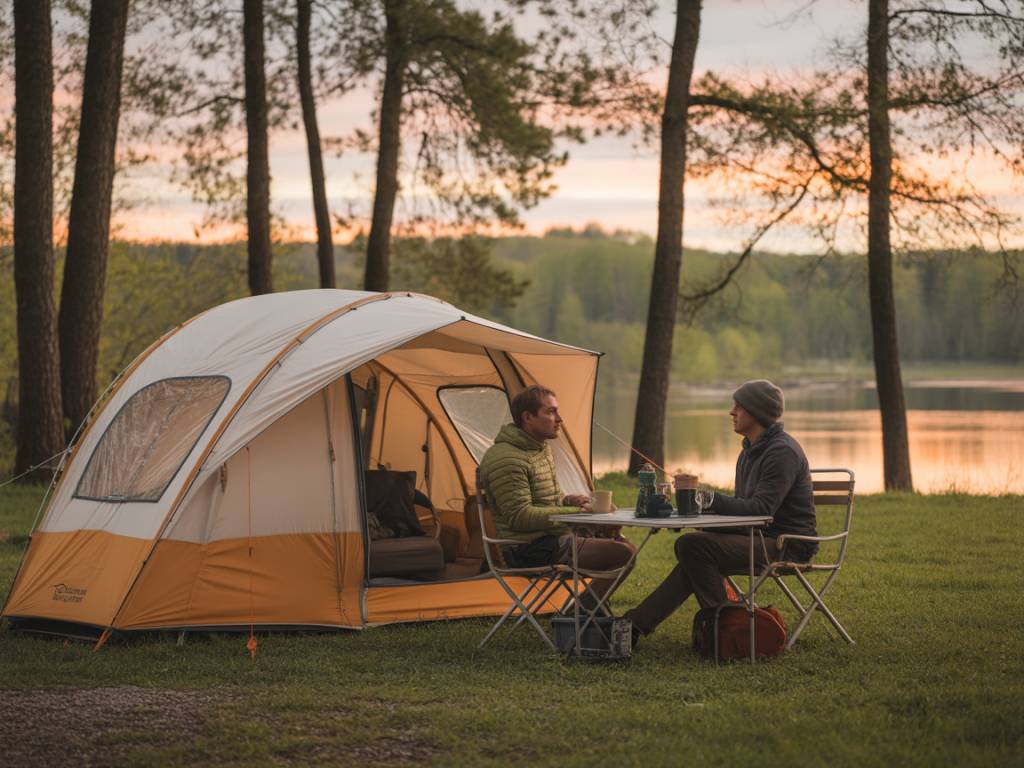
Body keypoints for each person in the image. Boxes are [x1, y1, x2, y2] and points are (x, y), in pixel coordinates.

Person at [624, 379, 817, 639]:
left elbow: (762, 509)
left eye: (739, 406)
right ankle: (634, 625)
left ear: (757, 412)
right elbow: (743, 510)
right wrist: (697, 517)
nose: (732, 412)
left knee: (694, 547)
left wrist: (709, 499)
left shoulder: (782, 452)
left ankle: (724, 628)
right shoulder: (749, 452)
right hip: (760, 535)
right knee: (692, 548)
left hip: (787, 544)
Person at [478, 385, 635, 603]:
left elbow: (548, 500)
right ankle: (580, 615)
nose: (559, 419)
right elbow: (520, 516)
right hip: (526, 550)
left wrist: (571, 500)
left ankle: (584, 614)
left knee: (622, 544)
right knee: (623, 555)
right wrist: (576, 511)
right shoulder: (507, 459)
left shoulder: (539, 449)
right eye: (551, 412)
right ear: (528, 417)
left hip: (548, 539)